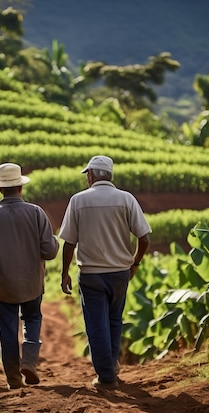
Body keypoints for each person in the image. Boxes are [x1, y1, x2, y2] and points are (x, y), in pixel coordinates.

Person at [58, 155, 151, 390]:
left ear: (91, 175)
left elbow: (68, 242)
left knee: (96, 325)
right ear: (109, 175)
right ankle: (111, 367)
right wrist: (135, 262)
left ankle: (106, 376)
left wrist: (64, 272)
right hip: (120, 272)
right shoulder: (126, 199)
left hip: (91, 274)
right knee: (114, 321)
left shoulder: (78, 201)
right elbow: (144, 238)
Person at [0, 162, 59, 390]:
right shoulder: (36, 213)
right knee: (32, 319)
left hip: (3, 287)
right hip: (32, 283)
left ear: (1, 189)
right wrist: (56, 242)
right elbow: (49, 252)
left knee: (7, 330)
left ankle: (13, 379)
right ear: (20, 187)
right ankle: (29, 361)